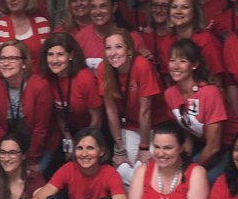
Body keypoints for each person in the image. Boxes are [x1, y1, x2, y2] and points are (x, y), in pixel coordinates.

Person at [99, 29, 164, 185]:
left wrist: (143, 148)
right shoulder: (104, 68)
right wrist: (120, 149)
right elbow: (111, 111)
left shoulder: (141, 65)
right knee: (121, 167)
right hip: (128, 125)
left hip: (155, 125)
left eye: (118, 47)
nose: (113, 53)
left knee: (144, 166)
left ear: (129, 50)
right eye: (108, 48)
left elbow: (145, 111)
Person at [0, 40, 53, 167]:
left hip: (37, 145)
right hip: (6, 141)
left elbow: (40, 130)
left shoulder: (40, 86)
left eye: (13, 58)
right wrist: (7, 154)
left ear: (24, 64)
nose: (6, 63)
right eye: (2, 58)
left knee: (30, 177)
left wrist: (30, 160)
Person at [40, 32, 102, 174]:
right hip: (67, 132)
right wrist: (69, 140)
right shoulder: (48, 79)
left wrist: (83, 147)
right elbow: (58, 113)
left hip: (93, 130)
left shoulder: (85, 79)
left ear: (71, 56)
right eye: (50, 54)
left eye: (60, 54)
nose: (54, 60)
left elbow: (97, 118)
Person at [163, 39, 226, 169]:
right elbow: (186, 131)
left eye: (183, 61)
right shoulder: (170, 94)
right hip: (204, 146)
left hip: (229, 147)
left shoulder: (210, 93)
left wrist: (190, 173)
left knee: (200, 180)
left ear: (195, 64)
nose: (175, 66)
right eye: (172, 60)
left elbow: (214, 147)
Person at [166, 0, 224, 80]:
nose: (178, 11)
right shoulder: (167, 41)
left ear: (195, 12)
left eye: (184, 7)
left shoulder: (206, 40)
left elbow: (217, 80)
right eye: (174, 7)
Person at [74, 0, 126, 69]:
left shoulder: (129, 36)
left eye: (103, 6)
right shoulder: (80, 37)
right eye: (93, 7)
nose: (97, 12)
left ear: (114, 7)